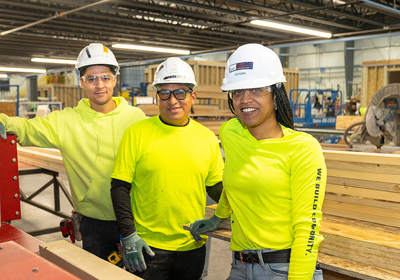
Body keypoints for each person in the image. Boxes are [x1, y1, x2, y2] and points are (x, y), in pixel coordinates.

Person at [189, 44, 327, 280]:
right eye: (238, 91)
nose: (245, 100)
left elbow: (308, 227)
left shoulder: (303, 148)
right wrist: (217, 217)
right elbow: (233, 180)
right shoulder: (230, 132)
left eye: (256, 89)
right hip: (240, 265)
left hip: (282, 269)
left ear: (276, 95)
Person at [0, 43, 146, 261]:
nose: (100, 85)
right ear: (81, 82)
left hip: (138, 217)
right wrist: (3, 120)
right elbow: (27, 128)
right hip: (94, 222)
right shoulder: (65, 121)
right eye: (91, 78)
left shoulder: (136, 118)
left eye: (105, 77)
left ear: (115, 79)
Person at [110, 57, 224, 280]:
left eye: (180, 92)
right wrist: (129, 235)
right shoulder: (137, 133)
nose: (173, 100)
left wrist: (231, 207)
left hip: (192, 244)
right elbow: (119, 188)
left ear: (193, 96)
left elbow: (215, 187)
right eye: (165, 93)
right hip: (147, 248)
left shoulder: (207, 138)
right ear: (157, 97)